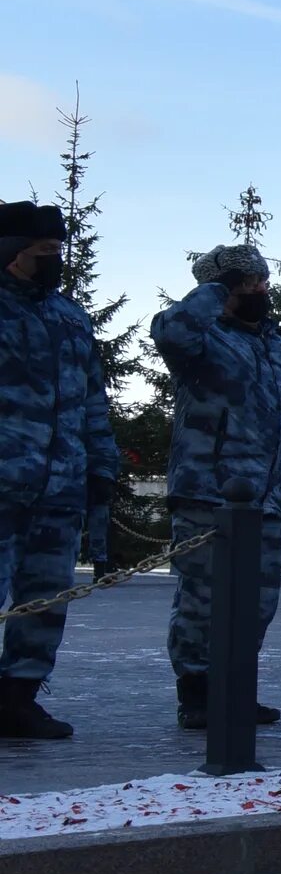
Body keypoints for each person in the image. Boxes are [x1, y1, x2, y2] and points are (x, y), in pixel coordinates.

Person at [152, 244, 281, 728]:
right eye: (245, 284)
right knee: (203, 599)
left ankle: (237, 686)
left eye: (261, 280)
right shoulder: (202, 341)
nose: (257, 290)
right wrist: (215, 289)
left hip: (269, 500)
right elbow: (171, 330)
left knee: (257, 604)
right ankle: (197, 692)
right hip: (209, 493)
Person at [0, 203, 119, 739]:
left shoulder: (70, 318)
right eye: (42, 252)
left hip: (60, 485)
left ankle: (17, 698)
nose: (55, 261)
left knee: (45, 601)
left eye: (58, 251)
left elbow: (93, 399)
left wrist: (100, 466)